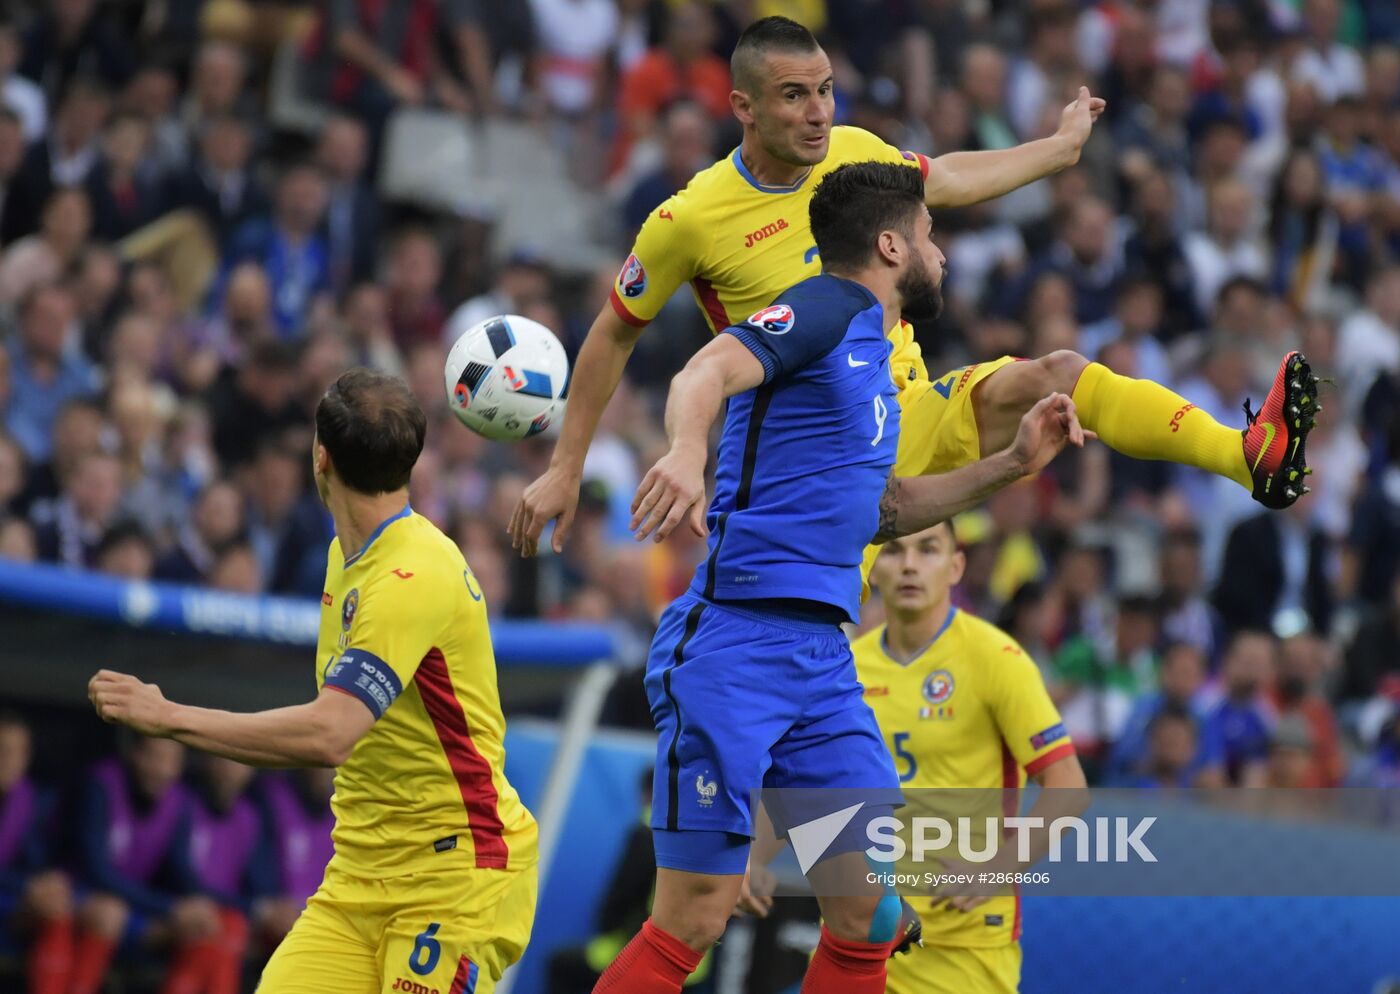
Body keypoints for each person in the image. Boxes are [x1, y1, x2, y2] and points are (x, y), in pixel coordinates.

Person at [509, 15, 1321, 568]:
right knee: (816, 703)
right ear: (743, 108)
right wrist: (566, 467)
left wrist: (1058, 151)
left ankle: (1247, 457)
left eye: (825, 88)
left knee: (1061, 371)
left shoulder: (852, 148)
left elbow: (946, 178)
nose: (819, 112)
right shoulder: (688, 219)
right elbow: (616, 333)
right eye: (795, 96)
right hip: (817, 460)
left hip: (906, 407)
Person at [593, 161, 1086, 994]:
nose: (941, 256)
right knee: (695, 917)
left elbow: (886, 509)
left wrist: (1010, 465)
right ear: (893, 244)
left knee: (864, 913)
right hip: (737, 642)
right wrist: (682, 449)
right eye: (930, 238)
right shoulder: (826, 307)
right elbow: (704, 371)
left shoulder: (876, 362)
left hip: (822, 661)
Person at [88, 368, 538, 993]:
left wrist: (168, 718)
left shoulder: (413, 576)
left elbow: (332, 734)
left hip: (455, 873)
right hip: (360, 874)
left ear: (320, 456)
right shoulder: (343, 554)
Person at [850, 520, 1086, 994]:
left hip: (962, 943)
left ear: (956, 566)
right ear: (873, 569)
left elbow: (1068, 790)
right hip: (860, 933)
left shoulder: (997, 658)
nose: (911, 565)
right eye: (894, 552)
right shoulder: (850, 665)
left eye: (929, 550)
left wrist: (996, 868)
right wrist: (753, 863)